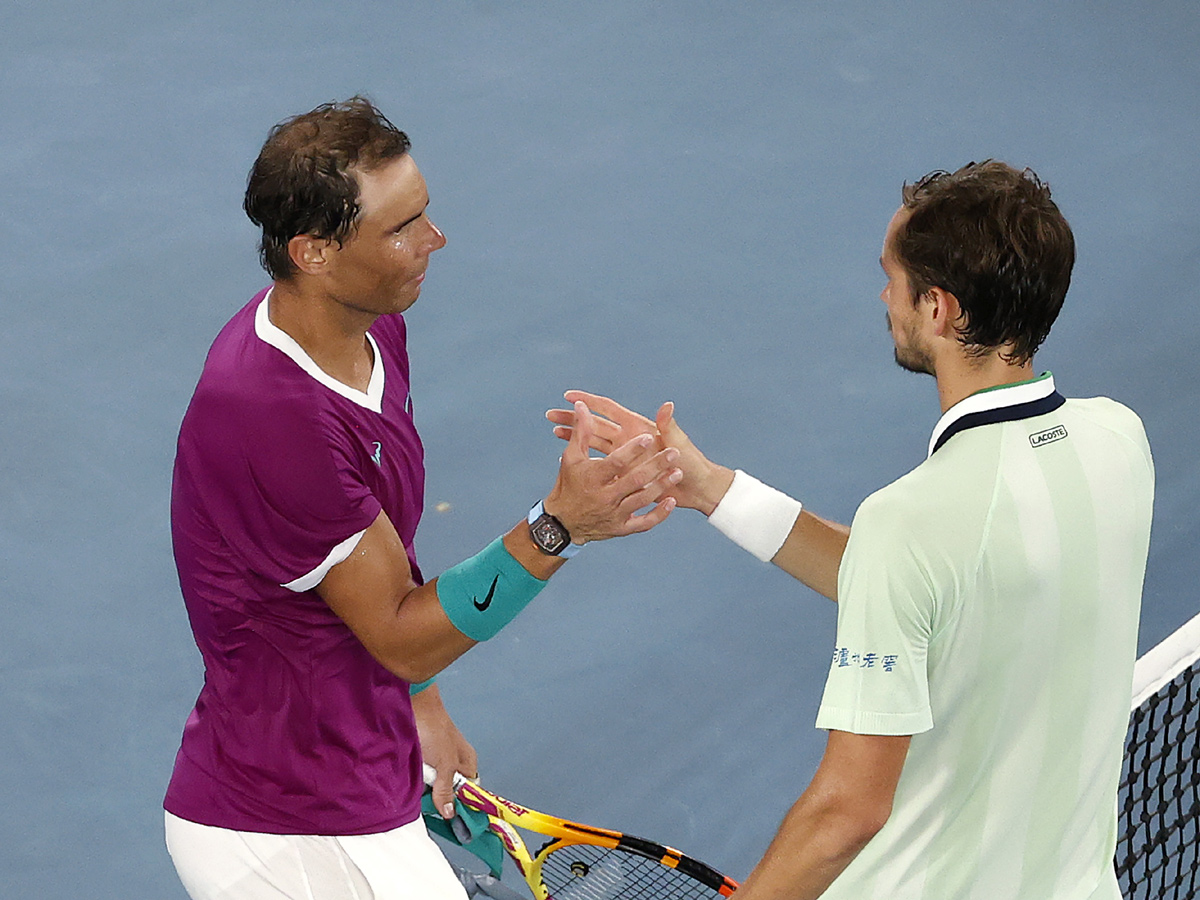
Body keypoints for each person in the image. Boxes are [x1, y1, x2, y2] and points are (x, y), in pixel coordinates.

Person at [549, 161, 1155, 900]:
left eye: (892, 278)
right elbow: (931, 587)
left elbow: (848, 812)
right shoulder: (1118, 442)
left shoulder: (913, 522)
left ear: (937, 308)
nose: (882, 296)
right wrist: (712, 488)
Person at [163, 96, 683, 900]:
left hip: (351, 770)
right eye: (401, 228)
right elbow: (403, 635)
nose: (434, 241)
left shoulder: (369, 330)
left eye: (425, 214)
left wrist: (422, 703)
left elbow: (385, 556)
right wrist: (557, 528)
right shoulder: (271, 417)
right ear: (314, 252)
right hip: (282, 830)